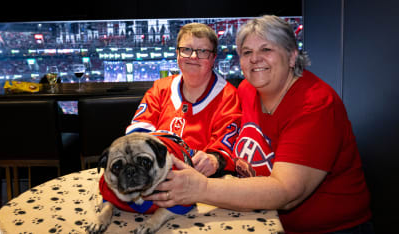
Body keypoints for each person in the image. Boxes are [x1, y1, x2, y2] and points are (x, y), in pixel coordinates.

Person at [144, 15, 373, 234]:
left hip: (329, 230)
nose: (255, 58)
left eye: (266, 49)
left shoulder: (315, 106)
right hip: (265, 218)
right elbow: (231, 142)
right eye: (247, 52)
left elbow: (286, 192)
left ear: (292, 56)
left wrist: (200, 187)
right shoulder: (247, 90)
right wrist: (216, 159)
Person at [126, 23, 241, 177]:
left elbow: (223, 152)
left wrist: (214, 160)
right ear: (177, 54)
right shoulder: (161, 88)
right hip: (156, 174)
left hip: (202, 182)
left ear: (213, 57)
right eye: (186, 49)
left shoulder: (228, 97)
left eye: (203, 51)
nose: (193, 56)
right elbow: (137, 136)